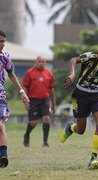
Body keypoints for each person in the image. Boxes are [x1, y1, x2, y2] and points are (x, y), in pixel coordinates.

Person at [59, 41, 98, 170]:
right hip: (80, 95)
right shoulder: (96, 56)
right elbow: (74, 59)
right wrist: (72, 74)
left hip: (97, 95)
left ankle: (93, 159)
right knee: (81, 130)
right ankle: (71, 128)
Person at [0, 30, 30, 167]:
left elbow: (11, 74)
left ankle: (3, 156)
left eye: (4, 42)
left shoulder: (5, 57)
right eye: (0, 41)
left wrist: (21, 91)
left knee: (0, 126)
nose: (3, 44)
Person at [22, 56, 56, 147]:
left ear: (45, 63)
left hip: (45, 100)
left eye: (43, 61)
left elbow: (52, 90)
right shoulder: (29, 72)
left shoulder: (49, 73)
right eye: (39, 61)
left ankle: (45, 142)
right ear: (36, 62)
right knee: (34, 122)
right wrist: (25, 101)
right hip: (33, 100)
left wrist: (53, 104)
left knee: (46, 119)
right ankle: (27, 135)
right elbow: (24, 87)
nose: (41, 63)